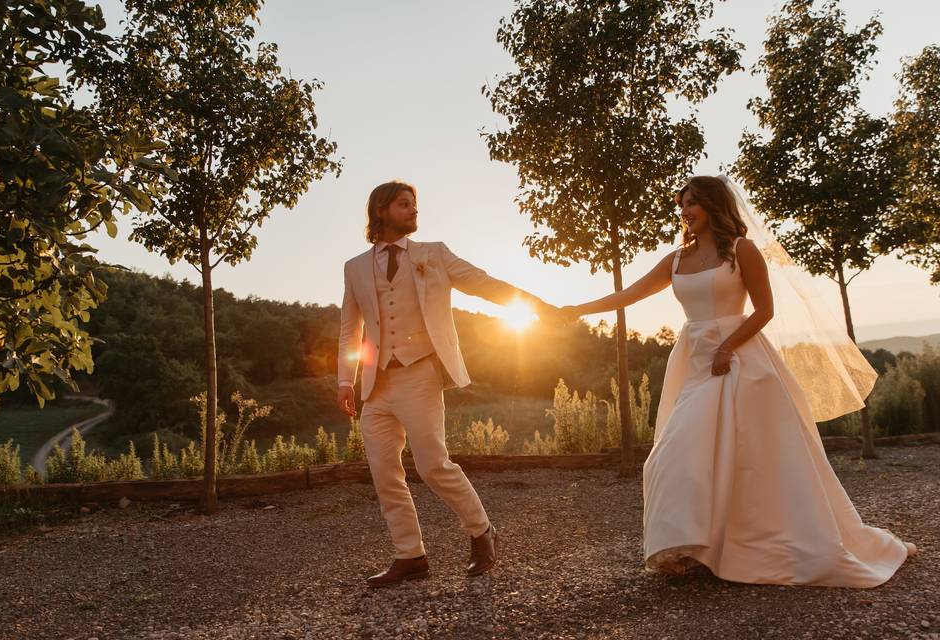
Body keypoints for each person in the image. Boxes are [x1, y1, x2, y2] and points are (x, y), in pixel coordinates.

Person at [558, 175, 915, 587]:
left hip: (742, 361)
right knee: (674, 451)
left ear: (713, 204)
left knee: (747, 457)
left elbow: (764, 310)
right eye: (682, 204)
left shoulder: (742, 251)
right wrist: (575, 309)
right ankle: (684, 546)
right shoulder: (676, 259)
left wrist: (727, 348)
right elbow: (630, 294)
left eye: (692, 202)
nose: (685, 211)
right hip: (695, 360)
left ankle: (740, 545)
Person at [337, 180, 556, 587]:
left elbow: (482, 281)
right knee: (384, 472)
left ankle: (480, 532)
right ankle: (410, 555)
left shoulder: (433, 255)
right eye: (404, 205)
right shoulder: (354, 267)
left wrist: (533, 304)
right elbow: (351, 328)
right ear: (381, 210)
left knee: (433, 464)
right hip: (376, 385)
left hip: (420, 373)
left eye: (415, 204)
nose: (414, 211)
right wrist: (344, 381)